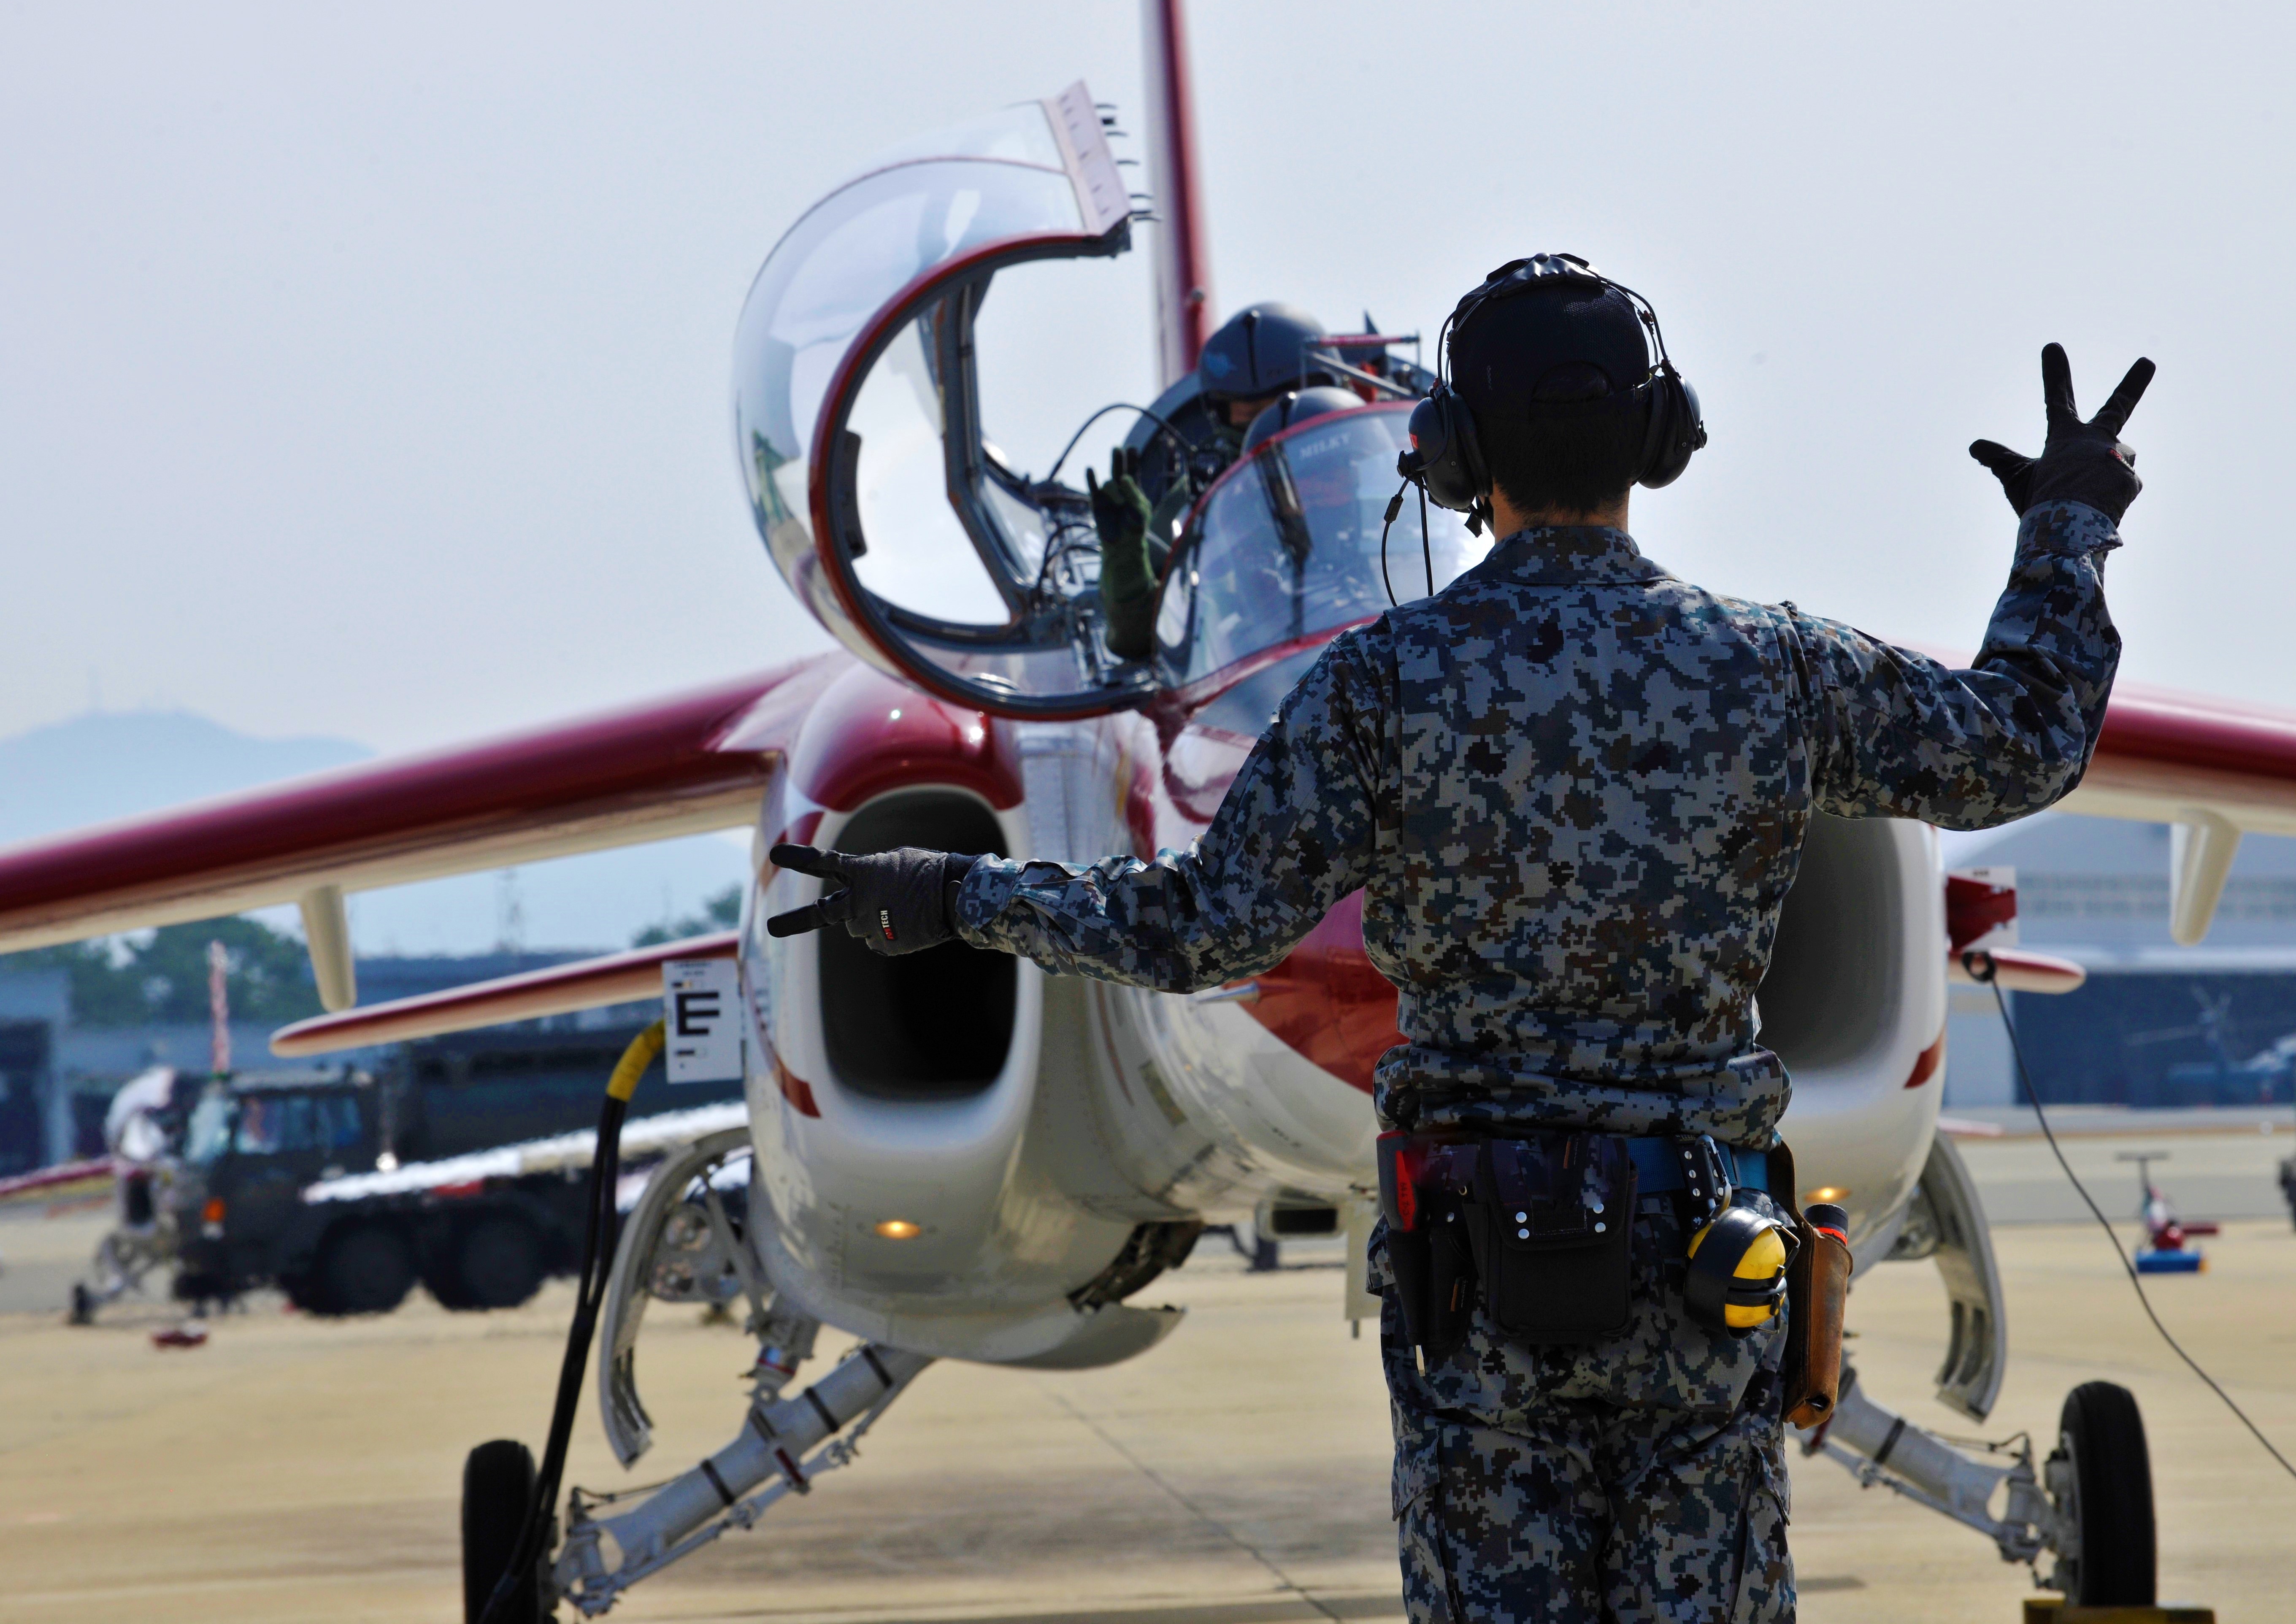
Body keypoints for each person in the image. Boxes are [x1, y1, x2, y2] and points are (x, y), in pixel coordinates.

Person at [773, 253, 2153, 1623]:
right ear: (1659, 440)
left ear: (1449, 459)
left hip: (1481, 1288)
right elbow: (2018, 745)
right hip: (1704, 1268)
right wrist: (2064, 532)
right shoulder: (1770, 666)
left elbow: (1203, 928)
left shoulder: (1378, 686)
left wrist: (956, 900)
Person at [1091, 302, 1331, 659]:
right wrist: (1125, 556)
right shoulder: (1205, 503)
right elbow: (1140, 639)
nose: (1269, 429)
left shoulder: (1390, 475)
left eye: (1279, 410)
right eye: (1249, 418)